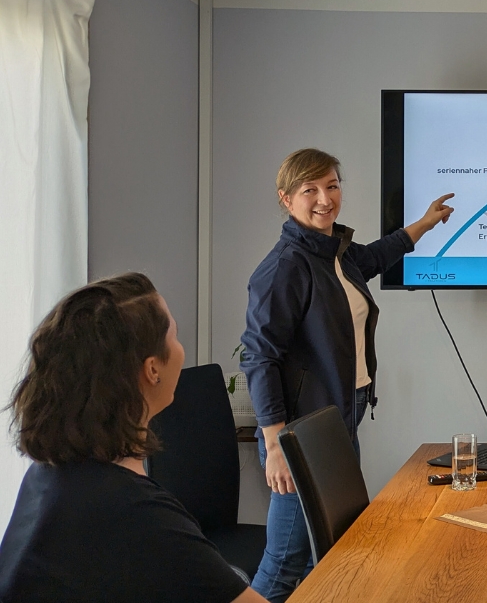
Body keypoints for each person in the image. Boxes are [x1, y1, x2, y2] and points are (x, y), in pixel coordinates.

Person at [240, 147, 454, 603]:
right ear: (286, 199)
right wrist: (276, 442)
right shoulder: (284, 268)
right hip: (299, 434)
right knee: (283, 565)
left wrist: (424, 223)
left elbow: (375, 257)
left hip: (337, 421)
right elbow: (260, 358)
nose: (324, 198)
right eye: (310, 190)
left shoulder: (333, 251)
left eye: (332, 186)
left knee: (335, 553)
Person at [0, 273, 268, 603]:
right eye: (175, 335)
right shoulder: (135, 513)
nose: (181, 349)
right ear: (152, 369)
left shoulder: (48, 474)